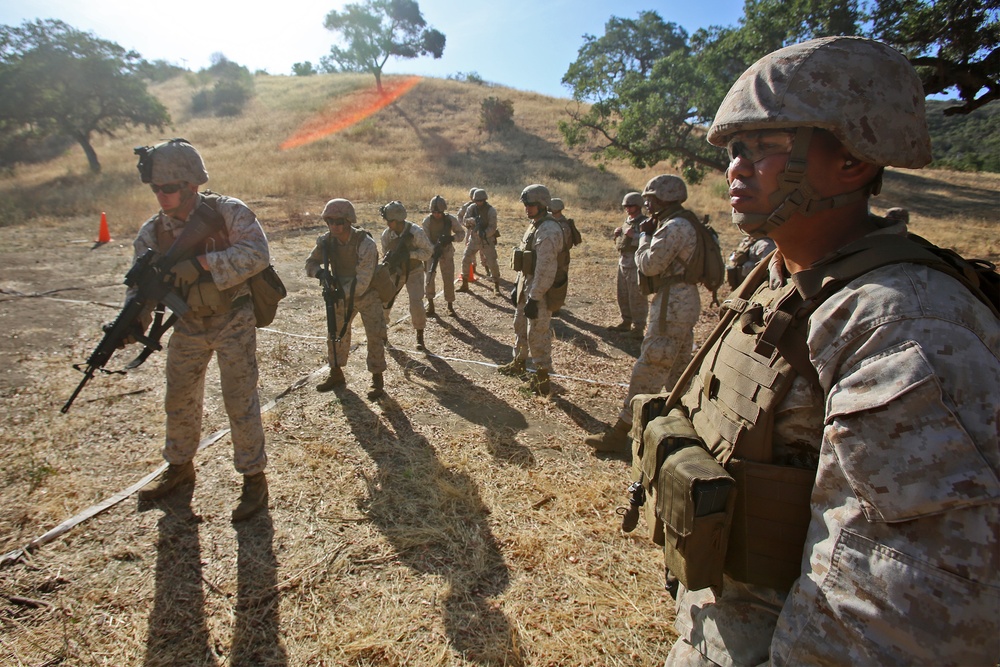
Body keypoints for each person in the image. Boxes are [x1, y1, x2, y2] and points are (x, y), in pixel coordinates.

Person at [632, 37, 998, 666]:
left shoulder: (903, 326)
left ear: (853, 160)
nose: (737, 168)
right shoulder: (782, 277)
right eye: (735, 150)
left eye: (767, 146)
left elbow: (896, 610)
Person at [131, 138, 270, 522]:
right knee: (179, 399)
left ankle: (253, 479)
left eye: (169, 188)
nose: (161, 195)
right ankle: (179, 468)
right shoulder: (153, 232)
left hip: (232, 320)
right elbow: (140, 287)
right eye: (156, 188)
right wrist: (135, 323)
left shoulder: (227, 212)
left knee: (240, 402)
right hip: (188, 324)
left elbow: (258, 254)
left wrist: (203, 264)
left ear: (192, 184)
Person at [585, 175, 701, 453]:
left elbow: (649, 265)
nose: (646, 204)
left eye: (650, 199)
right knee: (678, 368)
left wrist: (645, 236)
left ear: (662, 199)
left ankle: (621, 431)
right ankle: (682, 429)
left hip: (671, 305)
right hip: (680, 300)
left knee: (649, 365)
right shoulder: (684, 222)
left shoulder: (673, 227)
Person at [305, 198, 388, 400]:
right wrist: (321, 274)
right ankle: (336, 373)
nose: (334, 226)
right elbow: (310, 263)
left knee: (375, 334)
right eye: (330, 221)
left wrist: (339, 291)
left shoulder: (365, 243)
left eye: (339, 221)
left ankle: (377, 378)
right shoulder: (326, 241)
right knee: (335, 334)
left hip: (367, 294)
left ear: (349, 221)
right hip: (341, 294)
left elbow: (363, 280)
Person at [497, 184, 565, 396]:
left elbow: (546, 268)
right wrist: (518, 290)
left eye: (531, 205)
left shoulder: (549, 230)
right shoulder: (535, 225)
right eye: (525, 204)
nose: (527, 208)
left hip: (539, 291)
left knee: (537, 333)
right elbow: (527, 261)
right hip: (527, 286)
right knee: (519, 326)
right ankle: (519, 362)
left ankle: (541, 377)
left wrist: (535, 299)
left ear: (542, 205)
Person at [379, 200, 433, 350]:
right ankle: (382, 334)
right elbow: (385, 254)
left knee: (416, 303)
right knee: (385, 303)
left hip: (414, 271)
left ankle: (420, 336)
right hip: (395, 272)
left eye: (390, 221)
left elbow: (428, 252)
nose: (387, 224)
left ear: (398, 220)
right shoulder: (387, 235)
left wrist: (410, 255)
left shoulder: (415, 232)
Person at [609, 192, 649, 339]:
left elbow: (650, 241)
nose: (627, 208)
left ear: (638, 206)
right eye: (626, 206)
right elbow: (622, 241)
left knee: (637, 296)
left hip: (635, 262)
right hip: (623, 261)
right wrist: (618, 234)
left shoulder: (645, 222)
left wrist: (634, 236)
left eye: (630, 206)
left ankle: (638, 327)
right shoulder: (627, 221)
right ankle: (626, 321)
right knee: (623, 294)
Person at [422, 195, 465, 317]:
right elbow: (425, 239)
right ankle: (430, 304)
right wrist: (433, 249)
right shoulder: (427, 221)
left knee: (448, 277)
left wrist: (451, 238)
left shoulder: (450, 220)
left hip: (446, 251)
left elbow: (461, 234)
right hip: (432, 252)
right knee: (429, 277)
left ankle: (450, 305)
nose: (437, 215)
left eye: (439, 212)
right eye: (434, 212)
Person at [458, 188, 501, 295]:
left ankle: (496, 285)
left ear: (485, 200)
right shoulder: (471, 208)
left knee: (492, 262)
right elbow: (464, 220)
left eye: (481, 200)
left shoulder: (491, 211)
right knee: (466, 259)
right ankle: (464, 283)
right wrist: (473, 221)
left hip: (487, 240)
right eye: (477, 201)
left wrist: (484, 233)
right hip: (474, 239)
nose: (479, 203)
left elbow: (493, 227)